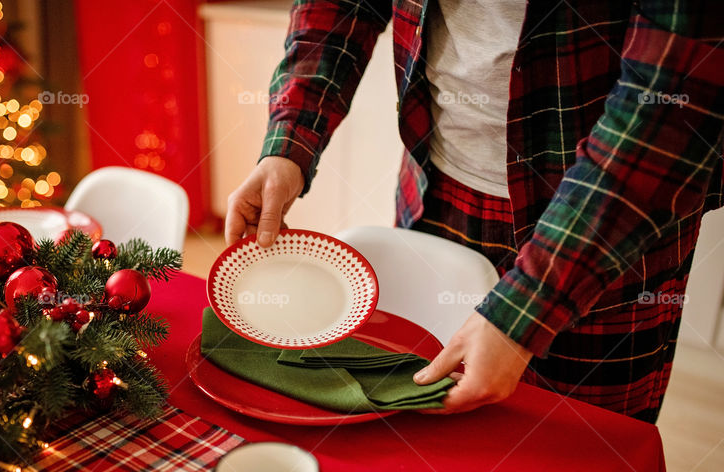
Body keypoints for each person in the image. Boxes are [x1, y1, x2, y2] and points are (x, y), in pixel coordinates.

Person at [225, 0, 724, 423]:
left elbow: (669, 108)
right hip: (433, 190)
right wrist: (288, 142)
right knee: (422, 445)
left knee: (576, 458)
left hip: (607, 231)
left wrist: (523, 313)